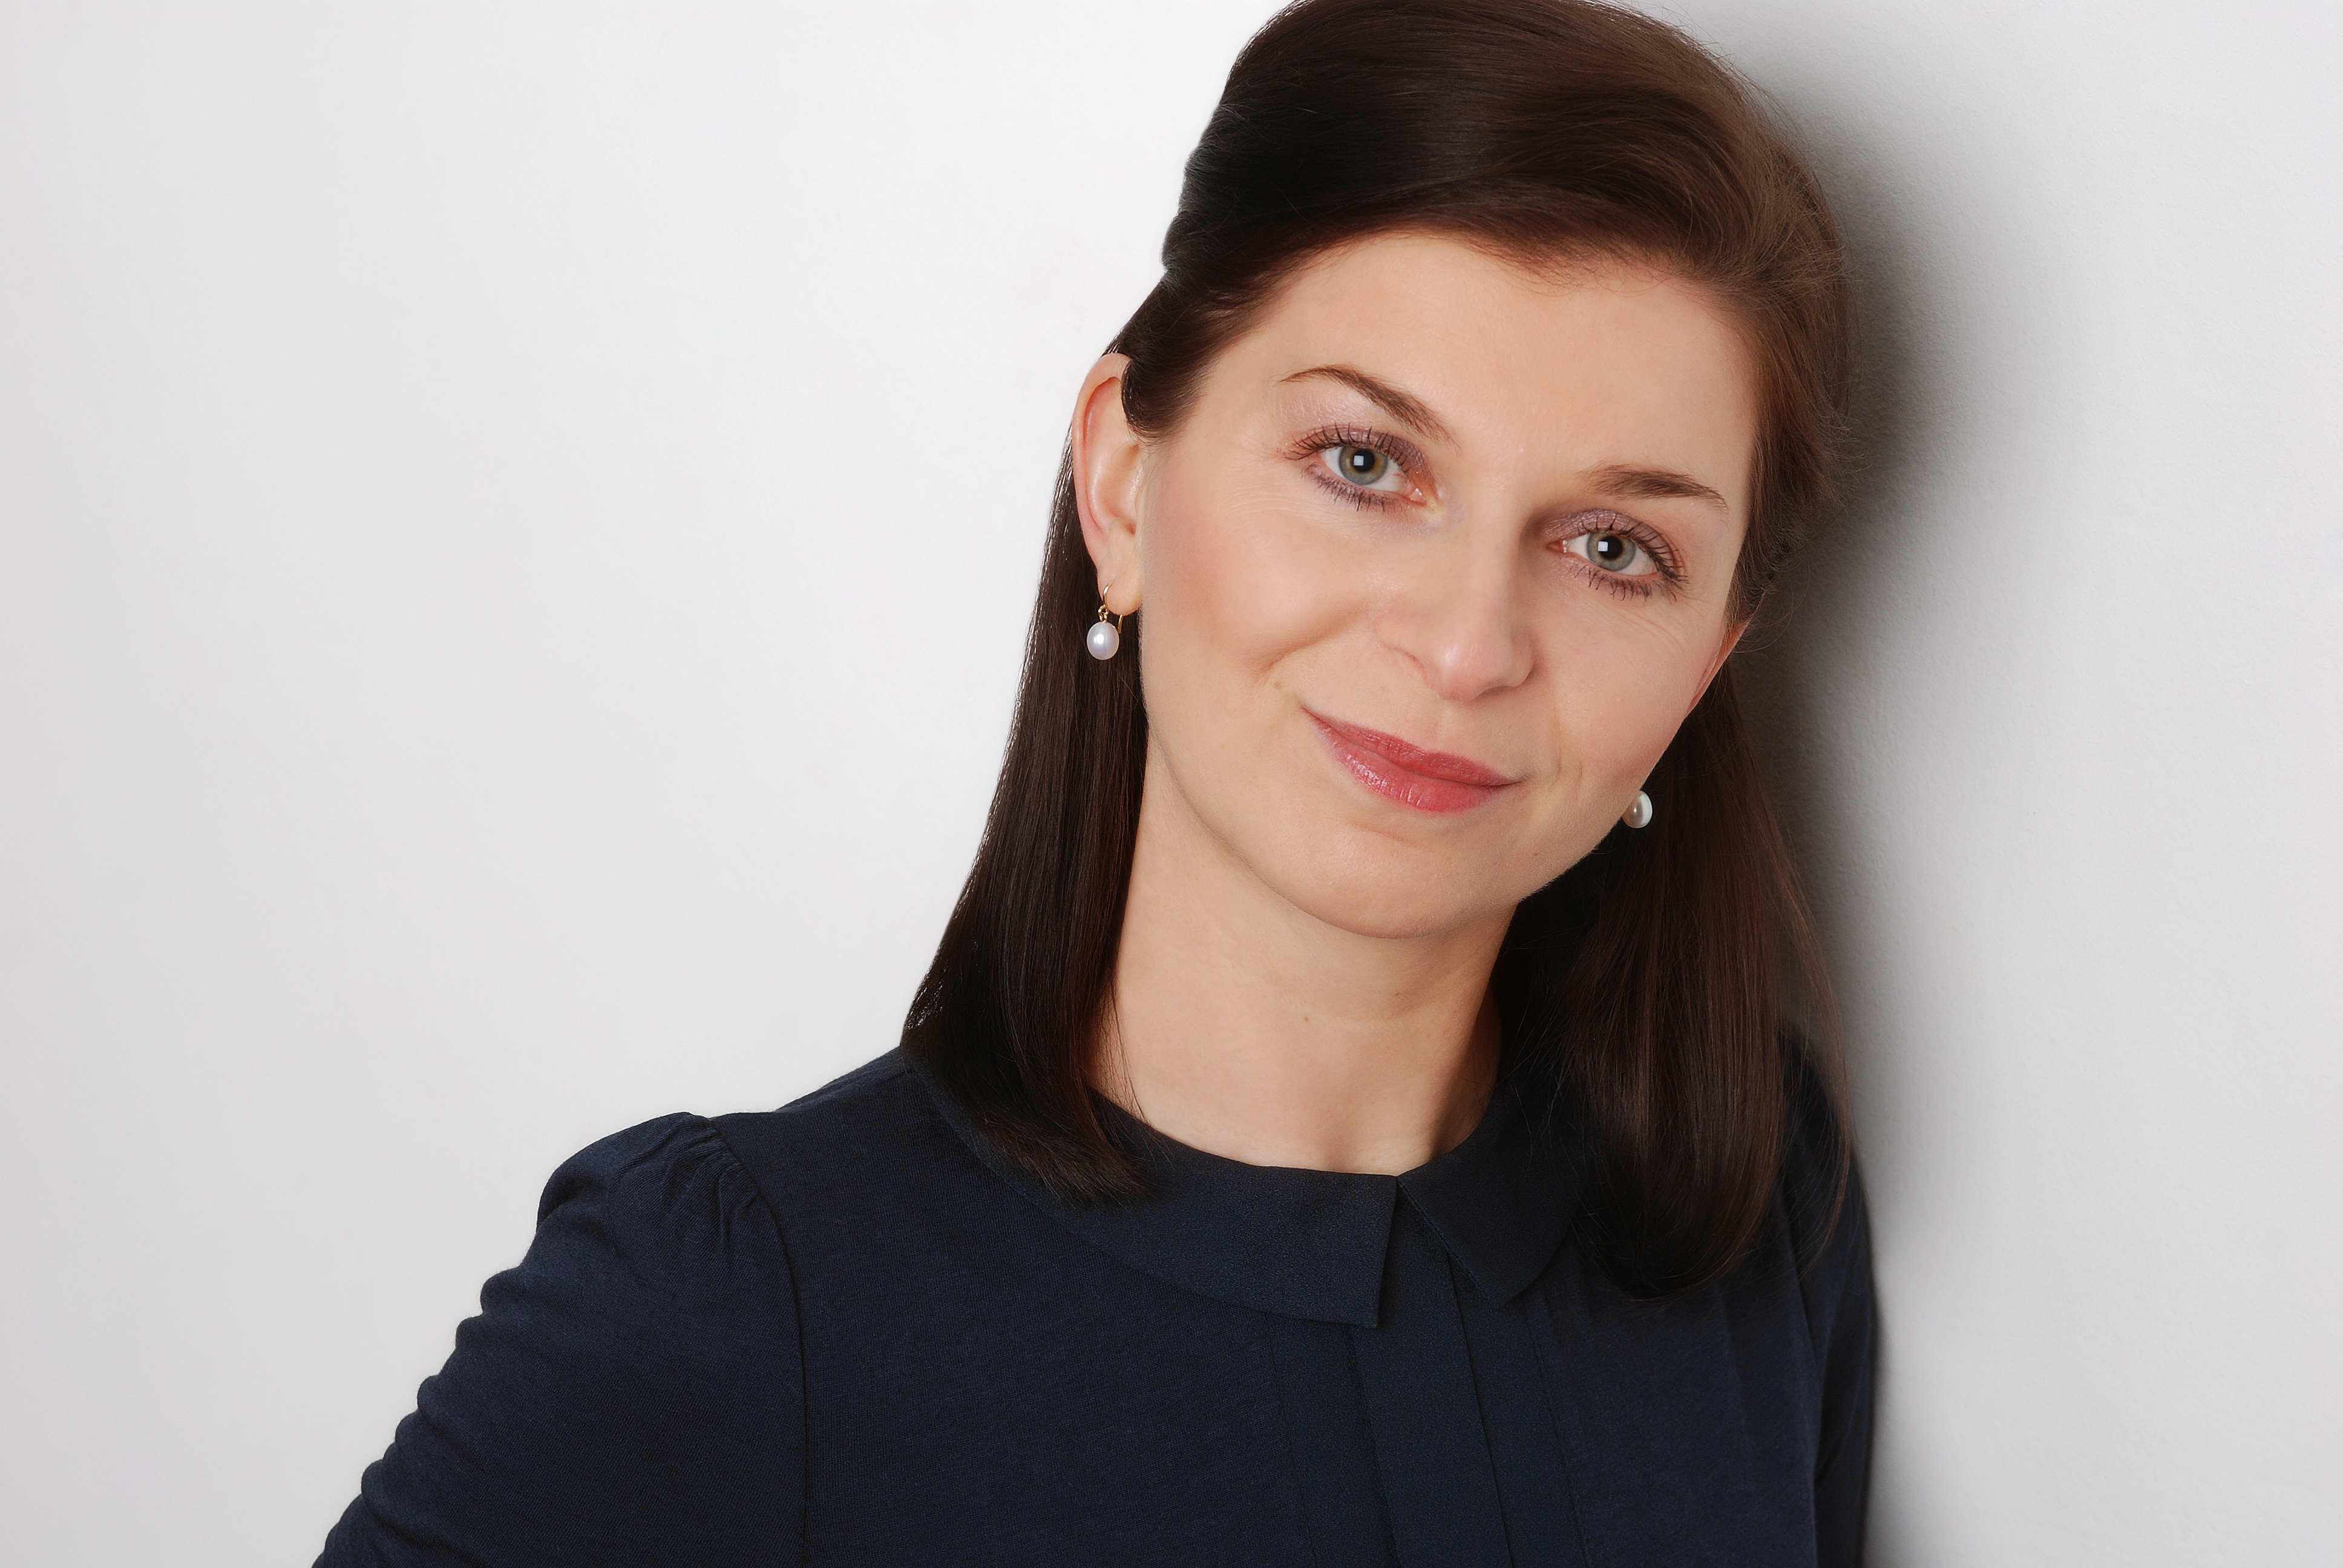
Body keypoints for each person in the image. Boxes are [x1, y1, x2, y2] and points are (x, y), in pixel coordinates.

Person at [317, 1, 1873, 1562]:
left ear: (1711, 663)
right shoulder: (723, 1308)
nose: (1469, 647)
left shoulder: (1758, 1222)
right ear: (1123, 486)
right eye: (1364, 464)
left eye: (1614, 548)